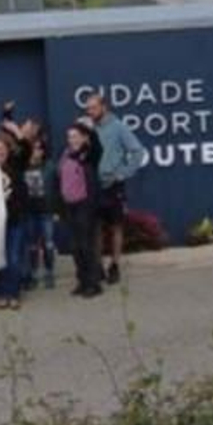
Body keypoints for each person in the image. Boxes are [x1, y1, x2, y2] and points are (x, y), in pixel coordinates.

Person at [84, 93, 146, 285]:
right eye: (88, 108)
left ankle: (115, 266)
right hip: (94, 186)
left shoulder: (118, 127)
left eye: (93, 107)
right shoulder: (88, 128)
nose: (90, 111)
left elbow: (138, 151)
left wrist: (122, 173)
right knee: (96, 228)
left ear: (104, 107)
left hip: (113, 186)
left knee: (116, 226)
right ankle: (99, 267)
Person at [58, 121, 105, 297]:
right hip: (70, 205)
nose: (72, 139)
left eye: (76, 136)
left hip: (86, 205)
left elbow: (97, 145)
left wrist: (87, 129)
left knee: (86, 245)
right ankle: (82, 280)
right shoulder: (65, 154)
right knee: (75, 247)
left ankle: (94, 284)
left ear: (83, 138)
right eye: (70, 136)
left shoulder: (90, 154)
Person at [0, 133, 31, 311]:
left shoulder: (16, 165)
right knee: (1, 259)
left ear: (8, 150)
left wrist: (16, 130)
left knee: (13, 258)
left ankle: (13, 294)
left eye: (2, 148)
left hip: (15, 219)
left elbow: (26, 149)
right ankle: (3, 294)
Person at [23, 139, 59, 290]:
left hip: (46, 210)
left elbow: (57, 188)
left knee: (48, 244)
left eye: (38, 149)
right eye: (33, 148)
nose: (35, 151)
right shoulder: (23, 166)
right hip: (29, 211)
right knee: (32, 245)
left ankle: (49, 273)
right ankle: (33, 274)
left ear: (43, 151)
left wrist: (57, 210)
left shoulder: (50, 167)